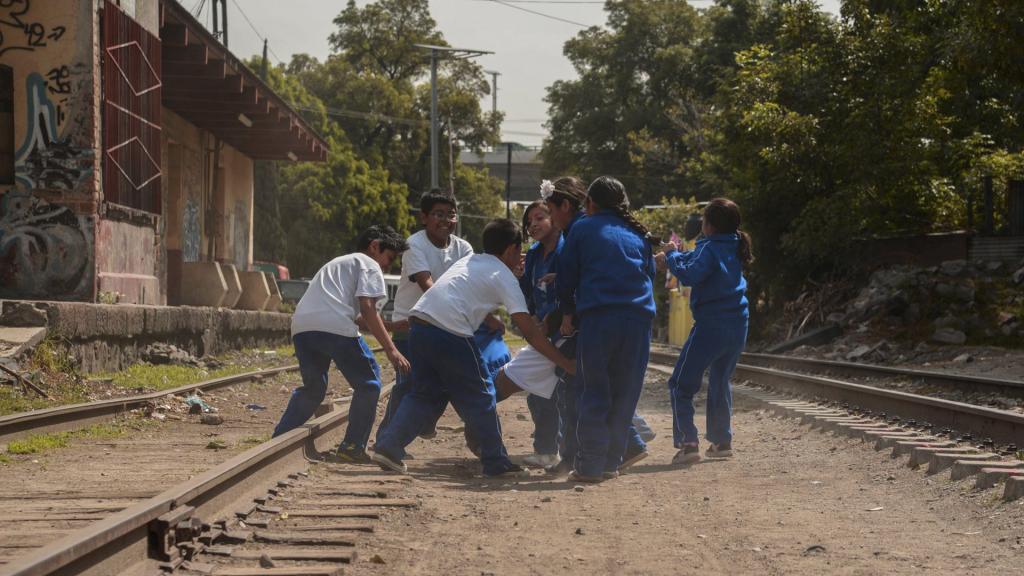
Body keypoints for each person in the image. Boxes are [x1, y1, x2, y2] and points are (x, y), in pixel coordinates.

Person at [371, 219, 576, 477]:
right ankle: (496, 462)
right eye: (519, 250)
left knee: (424, 393)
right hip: (449, 330)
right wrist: (565, 363)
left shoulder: (469, 261)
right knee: (482, 394)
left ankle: (388, 446)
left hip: (419, 325)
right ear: (512, 249)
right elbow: (531, 331)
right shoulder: (504, 277)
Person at [375, 189, 508, 450]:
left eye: (450, 214)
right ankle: (387, 439)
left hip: (449, 328)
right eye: (438, 214)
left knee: (443, 383)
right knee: (409, 382)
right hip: (411, 326)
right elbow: (428, 285)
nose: (445, 220)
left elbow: (470, 286)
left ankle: (424, 427)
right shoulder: (415, 245)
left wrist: (488, 317)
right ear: (424, 217)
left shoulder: (463, 248)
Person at [273, 226, 411, 463]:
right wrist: (392, 350)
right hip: (334, 326)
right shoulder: (368, 264)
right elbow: (367, 308)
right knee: (368, 384)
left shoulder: (339, 263)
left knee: (314, 389)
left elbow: (358, 316)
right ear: (375, 246)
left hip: (303, 328)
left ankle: (279, 440)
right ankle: (352, 446)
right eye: (389, 258)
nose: (388, 265)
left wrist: (389, 327)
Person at [557, 176, 657, 483]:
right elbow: (649, 276)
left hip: (600, 320)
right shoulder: (637, 234)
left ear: (590, 204)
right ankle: (611, 463)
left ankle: (589, 466)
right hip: (639, 322)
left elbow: (566, 277)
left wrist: (568, 310)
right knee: (625, 395)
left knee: (594, 391)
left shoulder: (582, 229)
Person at [655, 198, 753, 465]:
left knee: (680, 384)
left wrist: (672, 255)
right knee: (720, 381)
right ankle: (722, 442)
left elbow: (690, 274)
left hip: (711, 325)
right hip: (738, 324)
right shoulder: (734, 245)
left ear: (708, 226)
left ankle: (688, 444)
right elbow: (694, 259)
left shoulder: (708, 247)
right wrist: (672, 254)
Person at [487, 200, 564, 468]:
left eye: (539, 217)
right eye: (529, 221)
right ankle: (548, 450)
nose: (533, 224)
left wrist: (552, 319)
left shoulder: (567, 249)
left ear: (555, 217)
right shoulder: (532, 255)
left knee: (550, 388)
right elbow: (527, 293)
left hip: (560, 331)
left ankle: (632, 436)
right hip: (542, 332)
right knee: (542, 392)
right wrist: (532, 318)